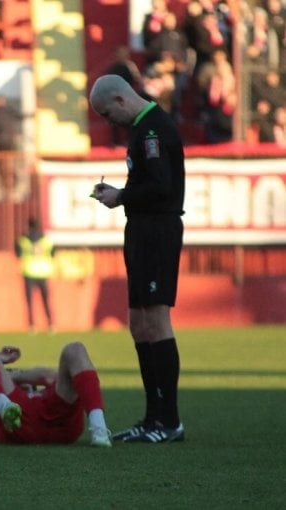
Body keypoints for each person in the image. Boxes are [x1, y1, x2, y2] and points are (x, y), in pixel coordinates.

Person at [89, 74, 185, 443]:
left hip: (158, 231)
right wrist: (122, 195)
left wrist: (121, 196)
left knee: (157, 320)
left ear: (120, 99)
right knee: (139, 323)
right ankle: (152, 416)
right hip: (142, 230)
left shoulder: (152, 131)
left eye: (106, 113)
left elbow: (161, 187)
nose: (107, 122)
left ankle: (170, 420)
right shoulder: (142, 130)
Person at [0, 338, 112, 447]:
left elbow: (47, 376)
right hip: (18, 418)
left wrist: (11, 374)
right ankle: (2, 404)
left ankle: (99, 428)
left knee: (75, 348)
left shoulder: (46, 390)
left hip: (43, 419)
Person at [15, 217, 55, 334]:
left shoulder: (23, 240)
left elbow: (17, 253)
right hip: (43, 272)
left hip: (29, 272)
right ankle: (51, 324)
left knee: (30, 302)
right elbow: (53, 253)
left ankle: (32, 326)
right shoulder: (46, 240)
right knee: (46, 300)